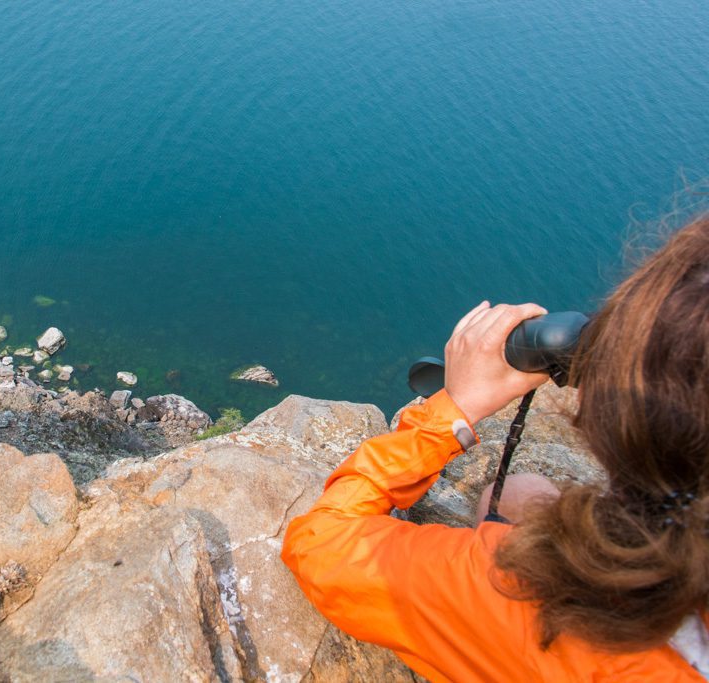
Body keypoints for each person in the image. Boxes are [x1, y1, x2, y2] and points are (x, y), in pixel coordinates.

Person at [281, 216, 709, 681]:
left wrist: (453, 411)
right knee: (520, 496)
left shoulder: (532, 600)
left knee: (513, 502)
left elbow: (320, 542)